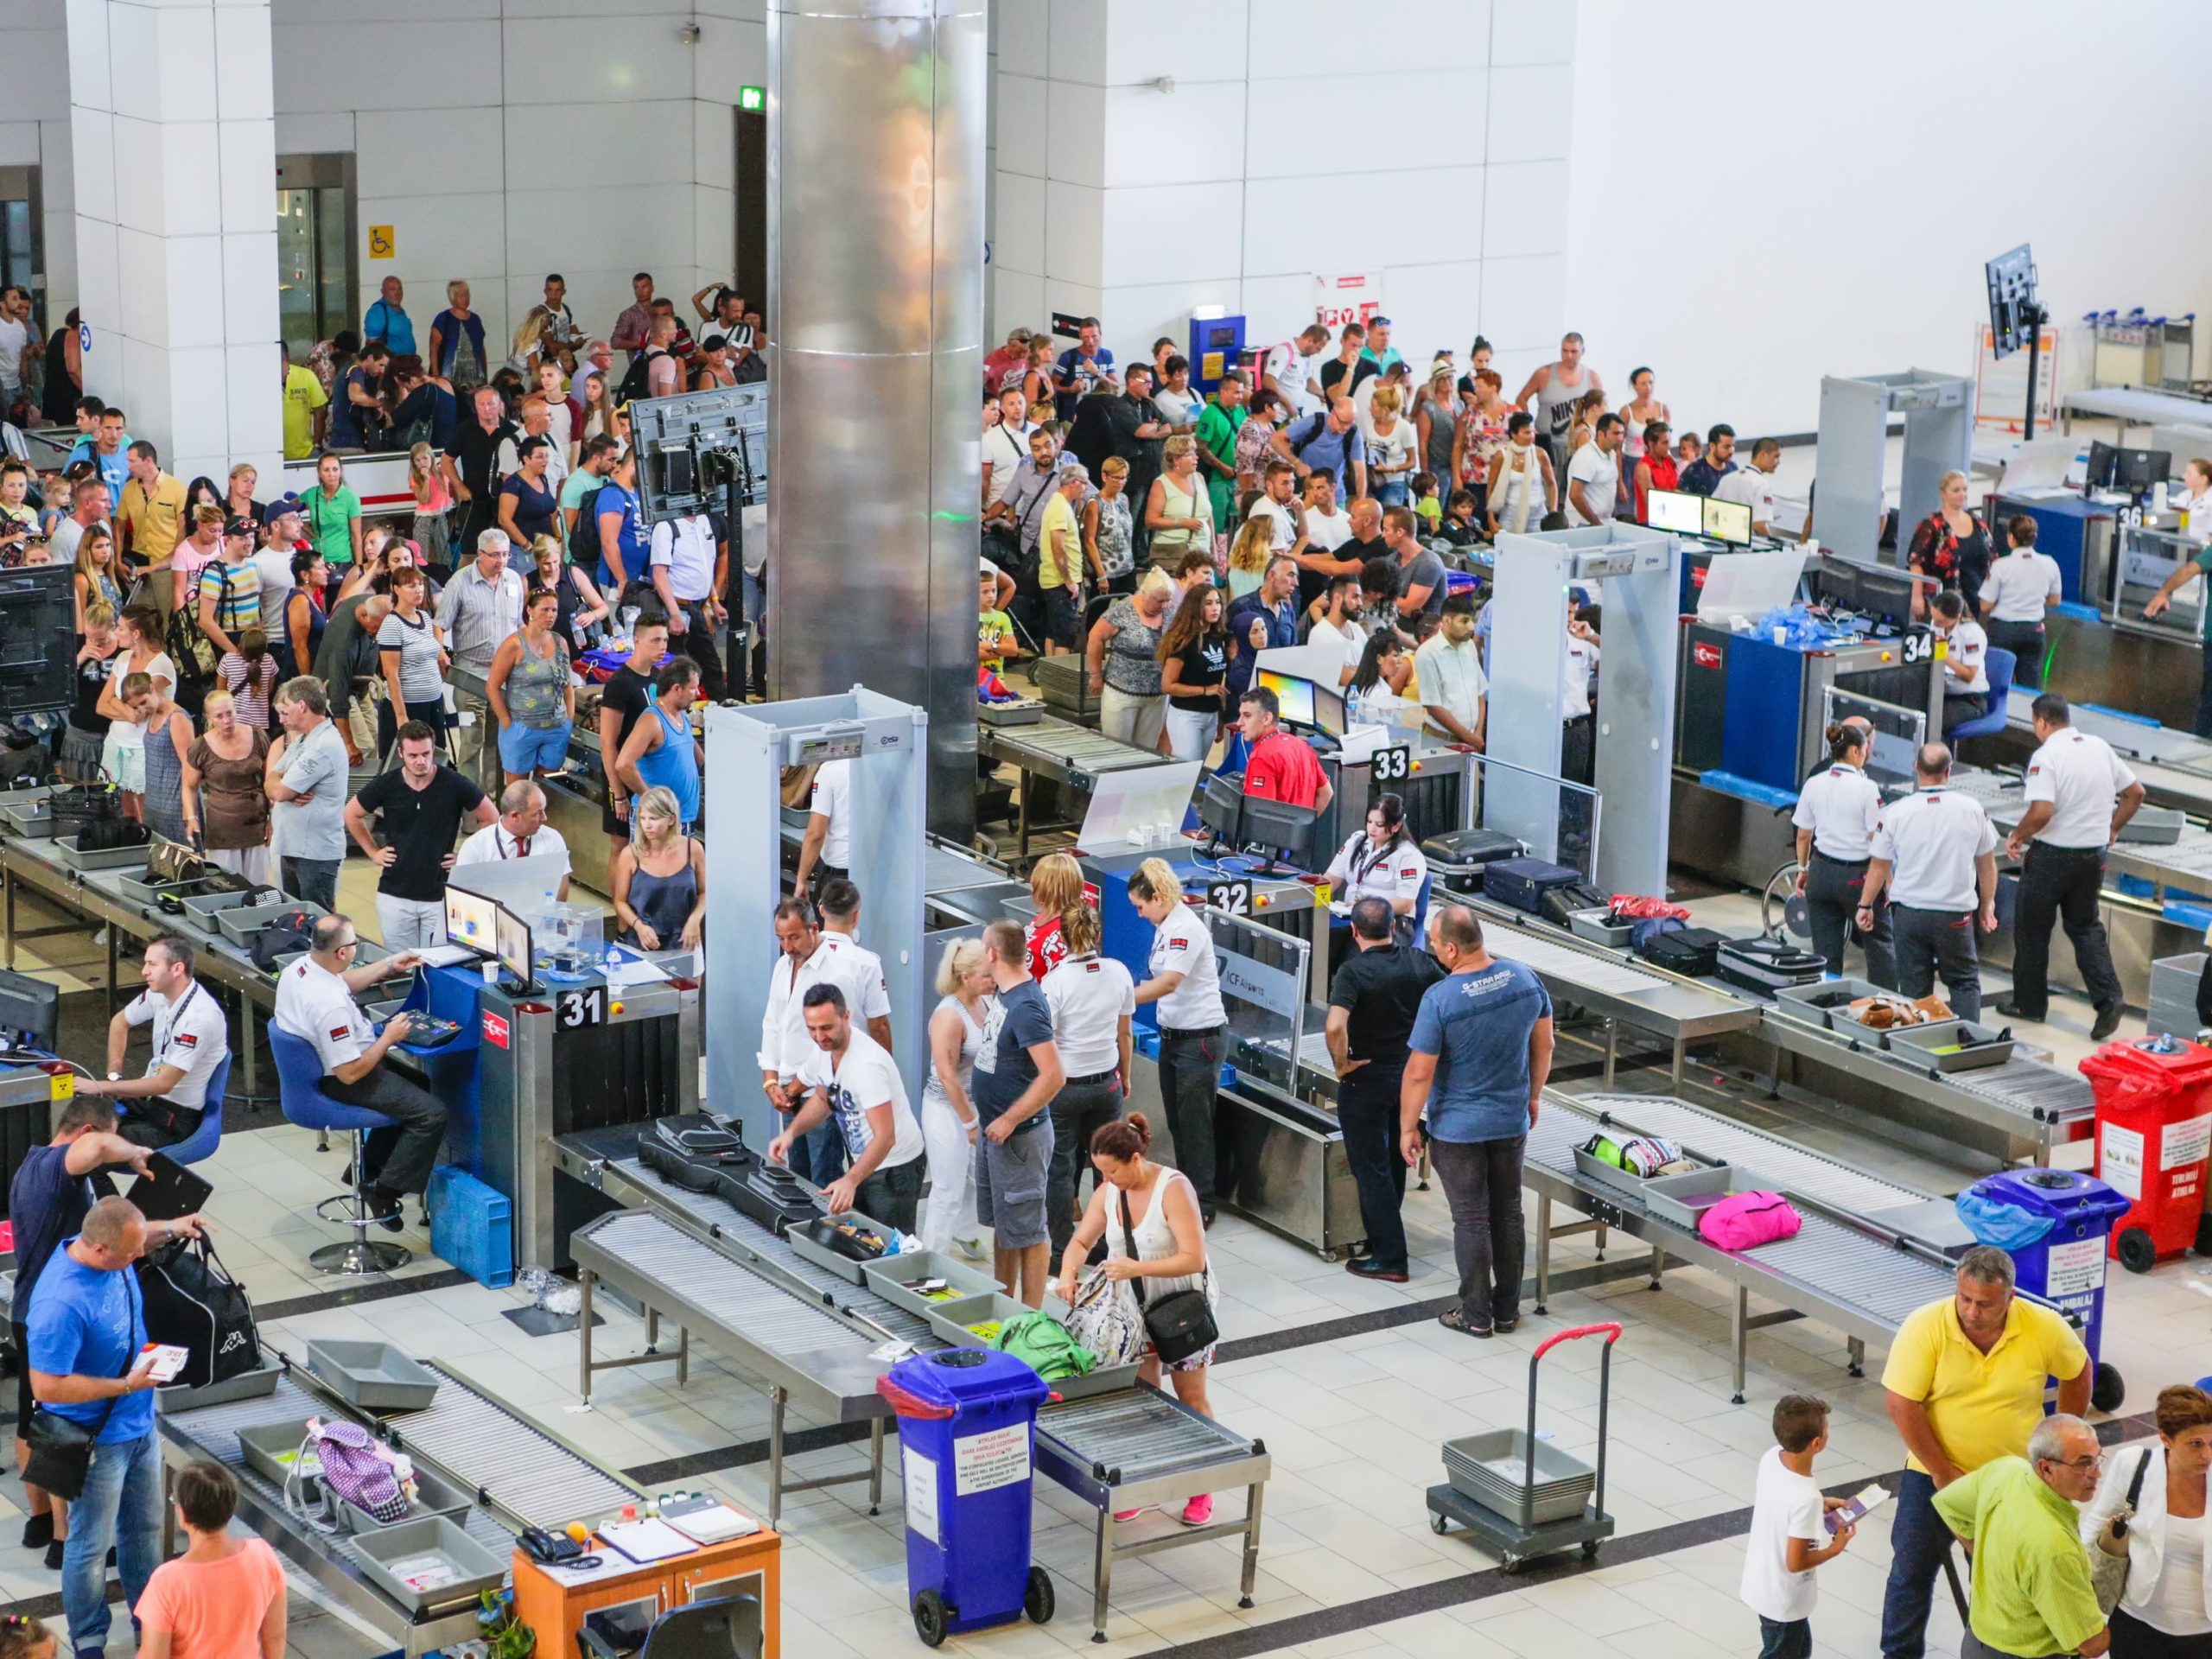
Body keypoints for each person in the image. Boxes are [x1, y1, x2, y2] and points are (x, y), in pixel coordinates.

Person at [1878, 1245, 2092, 1659]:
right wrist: (1942, 1471)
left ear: (2011, 1296)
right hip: (1934, 1473)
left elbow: (2079, 1370)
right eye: (1965, 1299)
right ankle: (1898, 1654)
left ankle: (1992, 1648)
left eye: (1985, 1303)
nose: (1972, 1312)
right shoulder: (1926, 1326)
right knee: (1912, 1567)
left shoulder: (2042, 1325)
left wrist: (2061, 1434)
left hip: (2013, 1481)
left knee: (2000, 1576)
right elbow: (1902, 1403)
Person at [8, 1100, 194, 1571]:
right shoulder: (54, 1168)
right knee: (58, 1424)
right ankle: (63, 1537)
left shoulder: (31, 1168)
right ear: (87, 1130)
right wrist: (131, 1152)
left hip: (30, 1308)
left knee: (32, 1422)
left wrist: (167, 1228)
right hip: (53, 1318)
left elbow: (111, 1237)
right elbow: (97, 1145)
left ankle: (40, 1519)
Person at [1053, 1113, 1219, 1527]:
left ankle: (1202, 1485)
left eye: (1112, 1171)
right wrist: (1070, 1271)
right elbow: (1081, 1239)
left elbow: (1192, 1257)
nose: (1108, 1180)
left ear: (1134, 1159)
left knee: (1191, 1397)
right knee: (1143, 1397)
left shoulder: (1173, 1188)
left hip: (1181, 1308)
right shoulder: (1109, 1192)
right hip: (1132, 1313)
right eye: (1101, 1172)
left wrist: (1135, 1269)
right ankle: (1144, 1482)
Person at [26, 1197, 169, 1655]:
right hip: (97, 1439)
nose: (138, 1257)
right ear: (102, 1251)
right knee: (88, 1545)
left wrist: (178, 1227)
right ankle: (89, 1639)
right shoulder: (60, 1303)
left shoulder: (110, 1246)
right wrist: (125, 1385)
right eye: (131, 1254)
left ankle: (151, 1625)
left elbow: (138, 1238)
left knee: (144, 1531)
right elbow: (47, 1386)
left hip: (140, 1425)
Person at [1403, 906, 1552, 1338]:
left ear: (1451, 949)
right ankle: (1507, 1311)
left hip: (1459, 1128)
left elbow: (1419, 1072)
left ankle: (1475, 1315)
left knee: (1471, 1219)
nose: (1430, 947)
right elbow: (1545, 1045)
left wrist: (1408, 1126)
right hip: (1510, 1120)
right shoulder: (1524, 978)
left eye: (1433, 942)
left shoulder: (1441, 999)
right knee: (1508, 1213)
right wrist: (1534, 1095)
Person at [272, 914, 446, 1218]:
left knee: (419, 1084)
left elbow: (342, 982)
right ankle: (383, 1192)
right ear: (342, 953)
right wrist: (389, 1038)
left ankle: (366, 1170)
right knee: (432, 1114)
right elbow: (350, 1073)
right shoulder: (330, 1008)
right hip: (342, 1078)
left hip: (320, 1067)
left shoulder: (300, 968)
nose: (356, 949)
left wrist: (389, 965)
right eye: (355, 944)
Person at [1993, 692, 2142, 1038]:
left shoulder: (2046, 756)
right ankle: (2109, 999)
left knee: (2032, 930)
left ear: (2042, 722)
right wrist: (2113, 827)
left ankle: (2029, 1005)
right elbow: (2136, 793)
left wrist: (2017, 834)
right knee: (2085, 927)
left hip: (2052, 858)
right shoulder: (2099, 747)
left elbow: (2043, 811)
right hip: (2092, 856)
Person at [1325, 895, 1444, 1284]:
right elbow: (1448, 997)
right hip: (1410, 1076)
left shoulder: (1352, 972)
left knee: (1369, 1167)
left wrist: (1342, 1064)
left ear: (1355, 930)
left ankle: (1391, 1255)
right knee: (1395, 1155)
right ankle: (1383, 1237)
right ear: (1394, 927)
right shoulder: (1419, 962)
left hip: (1367, 1078)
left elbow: (1334, 1026)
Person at [1935, 1414, 2109, 1659]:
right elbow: (2090, 1644)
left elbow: (1949, 1504)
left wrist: (1988, 1555)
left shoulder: (2006, 1471)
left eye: (2097, 1459)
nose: (2096, 1474)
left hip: (1977, 1645)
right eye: (2084, 1463)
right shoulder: (2053, 1547)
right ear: (2046, 1468)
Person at [768, 984, 926, 1230]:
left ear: (846, 1017)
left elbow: (885, 1137)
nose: (820, 1037)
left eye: (827, 1028)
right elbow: (823, 1100)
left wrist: (850, 1180)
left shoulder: (867, 1066)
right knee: (861, 1237)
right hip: (864, 1160)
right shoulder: (824, 1050)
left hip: (894, 1168)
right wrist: (791, 1133)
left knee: (892, 1247)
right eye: (812, 1029)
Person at [1861, 742, 1999, 1021]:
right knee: (1963, 982)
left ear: (1916, 769)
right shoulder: (1972, 810)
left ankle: (1916, 1047)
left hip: (1909, 914)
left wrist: (1865, 905)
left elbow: (1879, 865)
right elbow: (1987, 864)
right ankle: (1966, 1044)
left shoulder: (1895, 813)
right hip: (1955, 916)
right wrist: (1988, 904)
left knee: (1914, 989)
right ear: (1949, 771)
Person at [1126, 857, 1227, 1222]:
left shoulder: (1186, 928)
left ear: (1156, 896)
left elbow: (1169, 982)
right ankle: (1186, 1194)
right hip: (1175, 1038)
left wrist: (1122, 997)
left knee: (1195, 1126)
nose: (1138, 914)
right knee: (1178, 1123)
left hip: (1198, 1040)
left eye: (1140, 906)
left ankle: (1202, 1205)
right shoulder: (1165, 924)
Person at [970, 920, 1063, 1306]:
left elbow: (1054, 1075)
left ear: (992, 954)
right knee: (1005, 1227)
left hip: (1020, 1138)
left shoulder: (1025, 1004)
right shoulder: (1005, 995)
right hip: (996, 1136)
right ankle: (1003, 1302)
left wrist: (1010, 1118)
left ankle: (1031, 1314)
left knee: (1029, 1229)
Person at [2083, 1384, 2212, 1657]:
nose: (2207, 1455)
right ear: (2166, 1438)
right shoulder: (2133, 1464)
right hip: (2138, 1622)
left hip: (2204, 1633)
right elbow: (2095, 1524)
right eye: (2196, 1444)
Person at [344, 721, 495, 949]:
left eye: (426, 753)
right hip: (395, 894)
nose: (420, 761)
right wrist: (373, 852)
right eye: (413, 755)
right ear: (401, 753)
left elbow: (491, 817)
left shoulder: (454, 783)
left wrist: (465, 854)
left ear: (434, 749)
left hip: (440, 894)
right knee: (400, 964)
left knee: (437, 964)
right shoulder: (387, 784)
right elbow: (351, 813)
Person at [73, 934, 229, 1150]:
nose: (144, 971)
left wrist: (101, 1086)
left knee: (90, 1146)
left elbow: (163, 1084)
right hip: (147, 1102)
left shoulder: (201, 1018)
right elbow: (120, 1022)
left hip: (174, 1118)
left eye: (152, 964)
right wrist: (113, 1075)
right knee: (70, 1123)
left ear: (177, 969)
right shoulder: (159, 994)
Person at [1039, 902, 1133, 1255]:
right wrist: (1125, 1076)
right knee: (1108, 1167)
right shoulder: (1118, 972)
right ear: (1098, 933)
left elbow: (1045, 1041)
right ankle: (1108, 1242)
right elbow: (1125, 1034)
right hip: (1107, 1082)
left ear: (1061, 938)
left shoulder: (1055, 982)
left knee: (1060, 1167)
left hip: (1066, 1088)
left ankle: (1064, 1247)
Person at [1741, 1395, 1857, 1659]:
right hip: (1783, 1598)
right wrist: (1836, 1548)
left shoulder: (1771, 1458)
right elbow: (1796, 1561)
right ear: (1816, 1443)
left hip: (1763, 1583)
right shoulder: (1806, 1497)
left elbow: (1781, 1502)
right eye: (1827, 1429)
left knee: (1798, 1651)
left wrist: (1819, 1505)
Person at [137, 1459, 286, 1659]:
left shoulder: (167, 1581)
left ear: (182, 1513)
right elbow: (275, 1637)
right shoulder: (263, 1554)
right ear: (231, 1507)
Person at [1792, 719, 1897, 987]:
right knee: (1880, 945)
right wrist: (1887, 881)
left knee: (1825, 953)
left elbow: (1804, 834)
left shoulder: (1814, 782)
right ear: (1854, 752)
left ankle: (1825, 1005)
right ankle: (1884, 1007)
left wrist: (1803, 870)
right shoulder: (1867, 788)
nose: (1865, 756)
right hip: (1857, 877)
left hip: (1821, 873)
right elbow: (1879, 841)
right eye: (1864, 750)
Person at [918, 938, 993, 1260]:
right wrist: (970, 1123)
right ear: (966, 978)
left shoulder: (986, 1002)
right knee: (947, 1188)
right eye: (987, 975)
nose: (994, 979)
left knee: (975, 1180)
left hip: (975, 1101)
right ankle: (928, 1258)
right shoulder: (949, 1016)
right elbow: (948, 1076)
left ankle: (964, 1234)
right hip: (946, 1108)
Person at [265, 676, 350, 910]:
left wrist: (282, 785)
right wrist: (280, 782)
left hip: (314, 855)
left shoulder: (323, 745)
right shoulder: (303, 740)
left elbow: (280, 792)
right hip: (293, 848)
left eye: (286, 710)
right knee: (295, 919)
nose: (281, 719)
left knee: (317, 924)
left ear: (301, 705)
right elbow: (272, 778)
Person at [485, 587, 575, 785]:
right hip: (522, 726)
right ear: (530, 611)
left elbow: (567, 685)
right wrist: (507, 723)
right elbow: (492, 686)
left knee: (549, 788)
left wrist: (569, 719)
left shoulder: (561, 642)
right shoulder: (514, 644)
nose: (550, 615)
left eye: (554, 610)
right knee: (519, 790)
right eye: (545, 610)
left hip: (556, 727)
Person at [597, 611, 668, 858]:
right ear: (637, 641)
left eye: (665, 640)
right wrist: (618, 794)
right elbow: (607, 742)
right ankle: (617, 897)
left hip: (648, 771)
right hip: (622, 774)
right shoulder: (620, 684)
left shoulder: (659, 677)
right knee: (622, 844)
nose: (662, 647)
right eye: (655, 640)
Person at [647, 505, 730, 702]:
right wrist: (674, 615)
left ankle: (723, 712)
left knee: (712, 666)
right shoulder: (666, 526)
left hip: (698, 607)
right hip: (675, 606)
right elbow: (659, 575)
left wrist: (714, 600)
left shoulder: (706, 521)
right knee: (677, 671)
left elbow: (704, 565)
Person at [1086, 568, 1172, 750]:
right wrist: (1095, 675)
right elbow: (1095, 637)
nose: (1164, 605)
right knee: (1117, 748)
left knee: (1147, 750)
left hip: (1157, 695)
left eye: (1168, 600)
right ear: (1144, 594)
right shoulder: (1123, 609)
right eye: (1159, 600)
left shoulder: (1171, 611)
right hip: (1121, 692)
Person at [1979, 516, 2064, 690]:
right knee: (2030, 689)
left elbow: (1985, 605)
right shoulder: (2049, 564)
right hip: (2034, 631)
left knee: (1997, 684)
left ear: (2011, 537)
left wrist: (2006, 602)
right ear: (2034, 537)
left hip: (2003, 631)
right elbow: (2055, 600)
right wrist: (2033, 601)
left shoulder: (2001, 566)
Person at [455, 779, 573, 901]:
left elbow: (561, 886)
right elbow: (464, 899)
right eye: (537, 813)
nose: (544, 818)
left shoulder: (552, 838)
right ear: (515, 816)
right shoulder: (476, 847)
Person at [375, 566, 448, 759]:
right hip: (410, 704)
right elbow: (391, 674)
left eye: (420, 585)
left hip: (433, 700)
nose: (419, 590)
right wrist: (401, 716)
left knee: (436, 757)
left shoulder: (424, 616)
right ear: (397, 589)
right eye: (411, 586)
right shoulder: (392, 624)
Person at [817, 877, 894, 1054]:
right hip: (852, 1060)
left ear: (821, 910)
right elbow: (878, 1026)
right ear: (856, 916)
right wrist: (887, 1070)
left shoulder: (801, 958)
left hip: (806, 1063)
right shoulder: (867, 963)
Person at [1325, 794, 1428, 929]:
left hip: (1389, 922)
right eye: (1369, 822)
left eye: (1379, 825)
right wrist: (1311, 893)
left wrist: (1365, 908)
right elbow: (1332, 878)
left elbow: (1405, 904)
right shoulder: (1356, 841)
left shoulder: (1407, 855)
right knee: (1316, 933)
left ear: (1396, 827)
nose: (1372, 829)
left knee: (1334, 941)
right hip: (1349, 916)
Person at [1513, 333, 1602, 478]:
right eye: (1565, 351)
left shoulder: (1591, 377)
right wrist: (1528, 426)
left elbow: (1602, 410)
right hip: (1546, 443)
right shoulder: (1544, 373)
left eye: (1574, 351)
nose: (1568, 356)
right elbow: (1521, 398)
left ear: (1582, 351)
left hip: (1577, 445)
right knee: (1546, 490)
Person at [1909, 470, 1993, 619]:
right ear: (1943, 494)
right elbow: (1916, 562)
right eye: (1956, 490)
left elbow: (1992, 557)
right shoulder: (1932, 526)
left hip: (1974, 600)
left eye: (1965, 489)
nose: (1962, 494)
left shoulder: (1978, 523)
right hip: (1941, 604)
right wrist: (1917, 596)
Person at [1237, 684, 1332, 812]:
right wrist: (1304, 827)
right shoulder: (1301, 746)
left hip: (1270, 832)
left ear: (1266, 718)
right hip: (1302, 832)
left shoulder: (1262, 758)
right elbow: (1326, 793)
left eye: (1247, 716)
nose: (1239, 722)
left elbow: (1260, 815)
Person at [1414, 591, 1486, 747]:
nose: (1471, 627)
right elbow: (1433, 707)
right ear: (1447, 621)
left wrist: (1477, 734)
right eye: (1465, 621)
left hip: (1471, 742)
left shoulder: (1470, 647)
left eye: (1472, 621)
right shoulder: (1427, 653)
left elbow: (1479, 694)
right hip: (1440, 741)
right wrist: (1471, 738)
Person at [1930, 590, 1992, 736]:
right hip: (1941, 691)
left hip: (1969, 698)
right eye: (1934, 620)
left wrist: (1942, 654)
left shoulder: (1972, 634)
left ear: (1956, 618)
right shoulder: (1936, 624)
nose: (1936, 624)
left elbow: (1969, 675)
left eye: (1941, 622)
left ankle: (1936, 757)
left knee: (1934, 722)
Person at [1486, 410, 1555, 536]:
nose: (1532, 436)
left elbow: (1552, 484)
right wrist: (1490, 519)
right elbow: (1491, 488)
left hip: (1538, 514)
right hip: (1510, 515)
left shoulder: (1540, 454)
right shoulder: (1501, 457)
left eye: (1533, 432)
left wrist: (1553, 512)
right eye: (1527, 433)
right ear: (1514, 434)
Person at [1022, 852, 1085, 981]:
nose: (1031, 890)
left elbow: (1064, 987)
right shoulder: (1043, 917)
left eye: (1034, 885)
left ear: (1044, 890)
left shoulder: (1061, 935)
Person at [1716, 437, 1783, 537]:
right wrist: (1774, 544)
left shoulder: (1727, 478)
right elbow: (1759, 526)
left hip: (1723, 540)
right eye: (1776, 457)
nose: (1778, 462)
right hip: (1747, 546)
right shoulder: (1762, 485)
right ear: (1762, 455)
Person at [1565, 414, 1623, 527]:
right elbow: (1575, 495)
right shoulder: (1587, 457)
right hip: (1584, 523)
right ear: (1601, 434)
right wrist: (1595, 522)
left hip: (1602, 521)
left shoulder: (1611, 453)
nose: (1620, 438)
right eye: (1616, 433)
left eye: (1622, 433)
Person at [1631, 419, 1676, 522]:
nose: (1669, 446)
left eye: (1669, 442)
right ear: (1651, 444)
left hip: (1670, 517)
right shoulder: (1644, 468)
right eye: (1665, 443)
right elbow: (1652, 502)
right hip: (1651, 523)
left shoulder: (1668, 461)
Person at [1678, 423, 1737, 498]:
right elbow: (1679, 498)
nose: (1731, 451)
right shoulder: (1694, 470)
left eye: (1733, 446)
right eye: (1726, 447)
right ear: (1712, 446)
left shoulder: (1733, 468)